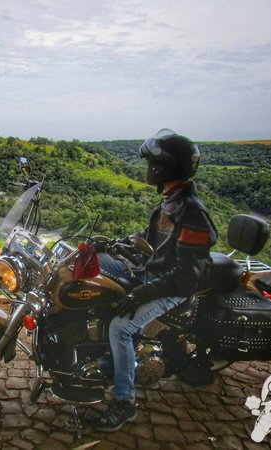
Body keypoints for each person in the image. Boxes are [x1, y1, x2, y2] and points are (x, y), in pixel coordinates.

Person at [93, 129, 217, 432]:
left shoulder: (192, 213)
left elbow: (186, 277)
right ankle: (111, 361)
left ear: (165, 168)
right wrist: (112, 245)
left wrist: (141, 293)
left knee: (121, 327)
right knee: (102, 284)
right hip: (155, 275)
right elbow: (149, 245)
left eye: (151, 163)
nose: (147, 169)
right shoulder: (169, 202)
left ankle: (124, 403)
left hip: (174, 287)